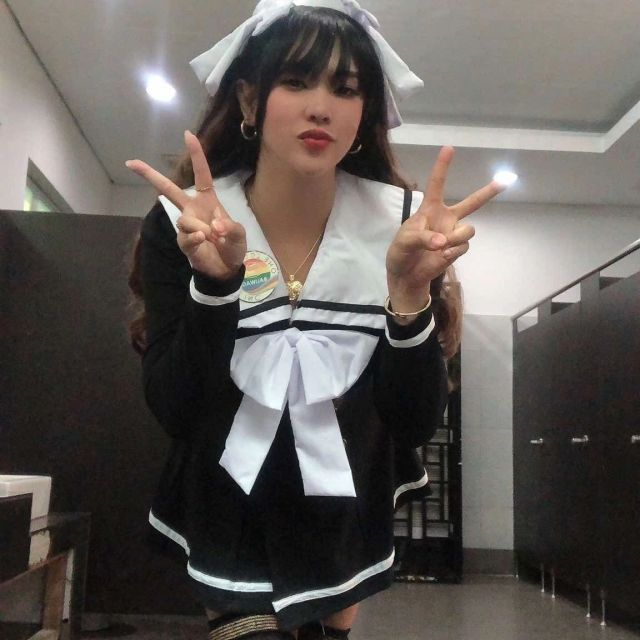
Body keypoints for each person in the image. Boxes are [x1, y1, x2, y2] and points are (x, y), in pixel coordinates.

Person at [126, 1, 504, 639]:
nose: (321, 107)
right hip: (227, 510)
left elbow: (414, 421)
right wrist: (215, 286)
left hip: (345, 522)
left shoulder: (403, 226)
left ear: (365, 112)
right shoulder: (184, 224)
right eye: (296, 81)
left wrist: (410, 292)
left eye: (345, 89)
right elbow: (176, 408)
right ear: (249, 100)